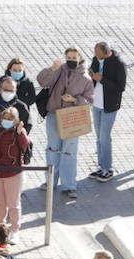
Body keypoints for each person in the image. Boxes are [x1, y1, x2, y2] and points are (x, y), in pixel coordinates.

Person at [36, 47, 95, 198]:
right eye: (68, 57)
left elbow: (89, 101)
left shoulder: (86, 78)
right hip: (54, 114)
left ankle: (69, 185)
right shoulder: (59, 70)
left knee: (69, 151)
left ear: (80, 58)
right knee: (52, 149)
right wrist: (51, 69)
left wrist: (74, 100)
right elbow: (42, 81)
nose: (71, 60)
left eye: (74, 57)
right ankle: (50, 182)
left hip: (72, 116)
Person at [0, 105, 31, 238]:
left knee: (13, 204)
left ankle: (14, 229)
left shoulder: (19, 132)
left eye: (10, 118)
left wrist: (20, 132)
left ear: (16, 120)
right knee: (0, 203)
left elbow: (25, 145)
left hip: (13, 173)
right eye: (5, 118)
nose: (6, 120)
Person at [86, 41, 127, 182]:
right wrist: (91, 75)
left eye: (100, 56)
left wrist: (102, 79)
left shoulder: (118, 64)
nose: (97, 58)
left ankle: (108, 168)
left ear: (107, 52)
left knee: (105, 137)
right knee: (99, 137)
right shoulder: (95, 59)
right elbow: (91, 72)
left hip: (109, 105)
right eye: (95, 55)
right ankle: (101, 166)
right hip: (96, 104)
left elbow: (120, 87)